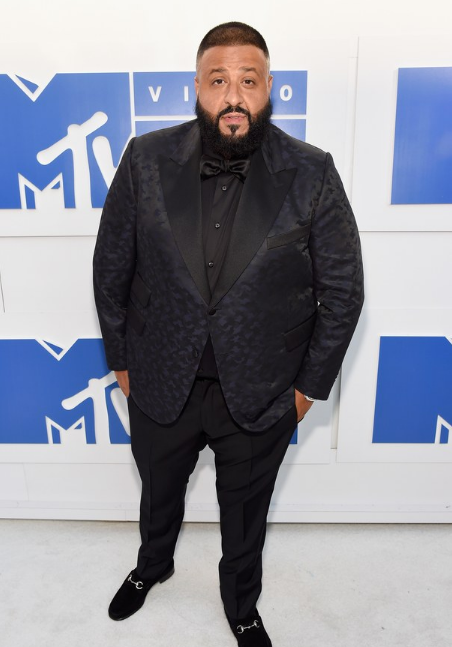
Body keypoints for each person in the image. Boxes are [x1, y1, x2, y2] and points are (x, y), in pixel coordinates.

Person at [93, 21, 364, 647]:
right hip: (161, 382)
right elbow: (112, 268)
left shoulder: (312, 172)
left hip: (263, 393)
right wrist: (122, 360)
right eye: (219, 81)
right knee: (158, 496)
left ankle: (241, 605)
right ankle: (151, 566)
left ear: (270, 90)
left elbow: (343, 292)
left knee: (246, 516)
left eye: (248, 82)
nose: (233, 96)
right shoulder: (145, 159)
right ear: (197, 87)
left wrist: (306, 392)